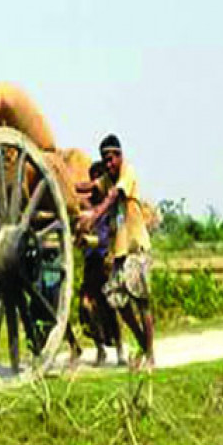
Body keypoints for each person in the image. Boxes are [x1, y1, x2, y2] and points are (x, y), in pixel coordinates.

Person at [77, 134, 154, 371]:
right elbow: (88, 187)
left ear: (119, 156)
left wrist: (94, 215)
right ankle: (144, 346)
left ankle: (150, 356)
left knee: (141, 302)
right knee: (117, 301)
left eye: (110, 159)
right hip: (121, 251)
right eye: (104, 159)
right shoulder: (107, 179)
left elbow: (112, 197)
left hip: (135, 246)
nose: (108, 164)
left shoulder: (126, 174)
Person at [77, 161, 125, 367]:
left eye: (99, 177)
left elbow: (117, 230)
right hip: (90, 262)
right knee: (87, 306)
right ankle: (99, 349)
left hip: (106, 260)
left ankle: (121, 349)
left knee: (111, 306)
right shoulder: (84, 206)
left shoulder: (111, 205)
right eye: (93, 177)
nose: (95, 182)